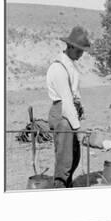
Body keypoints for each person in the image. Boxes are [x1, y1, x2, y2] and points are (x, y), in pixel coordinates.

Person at [46, 26, 90, 188]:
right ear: (70, 47)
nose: (81, 54)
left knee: (74, 156)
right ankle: (60, 187)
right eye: (79, 51)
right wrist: (77, 128)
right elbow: (66, 101)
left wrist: (80, 109)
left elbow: (74, 93)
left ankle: (67, 183)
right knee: (65, 159)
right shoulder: (58, 68)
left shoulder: (70, 64)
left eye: (82, 51)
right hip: (62, 114)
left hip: (71, 111)